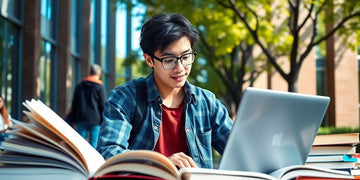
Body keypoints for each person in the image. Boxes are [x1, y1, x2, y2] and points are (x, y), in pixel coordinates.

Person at [97, 13, 233, 169]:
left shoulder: (207, 103)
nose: (180, 68)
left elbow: (239, 152)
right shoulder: (125, 98)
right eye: (169, 60)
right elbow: (109, 153)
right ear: (149, 60)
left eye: (186, 57)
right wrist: (161, 163)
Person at [70, 64, 107, 148]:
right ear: (99, 75)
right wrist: (103, 120)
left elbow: (74, 103)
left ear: (89, 72)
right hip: (96, 120)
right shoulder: (100, 87)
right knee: (94, 144)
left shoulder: (79, 86)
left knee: (80, 144)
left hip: (81, 118)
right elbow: (103, 105)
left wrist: (73, 119)